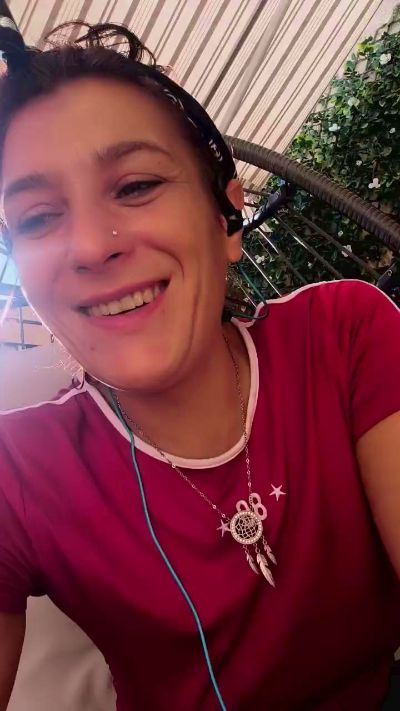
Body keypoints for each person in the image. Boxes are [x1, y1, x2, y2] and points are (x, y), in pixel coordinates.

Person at [0, 20, 399, 711]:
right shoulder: (17, 472)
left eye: (136, 186)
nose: (90, 246)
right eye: (36, 219)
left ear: (227, 218)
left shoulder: (342, 338)